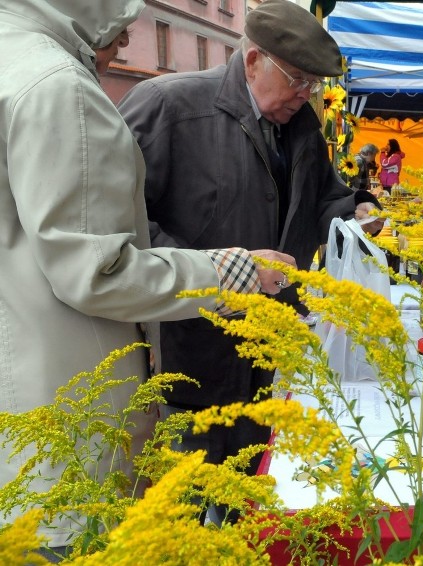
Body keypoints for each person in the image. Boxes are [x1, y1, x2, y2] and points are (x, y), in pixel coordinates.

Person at [0, 0, 295, 552]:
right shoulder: (60, 85)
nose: (126, 44)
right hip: (68, 425)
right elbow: (98, 270)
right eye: (121, 26)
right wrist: (235, 271)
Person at [117, 0, 382, 521]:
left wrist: (358, 208)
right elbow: (119, 226)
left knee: (249, 503)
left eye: (314, 85)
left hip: (269, 354)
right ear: (253, 58)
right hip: (190, 354)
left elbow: (320, 198)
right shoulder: (169, 106)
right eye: (298, 79)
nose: (305, 94)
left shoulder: (301, 124)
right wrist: (218, 268)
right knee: (183, 513)